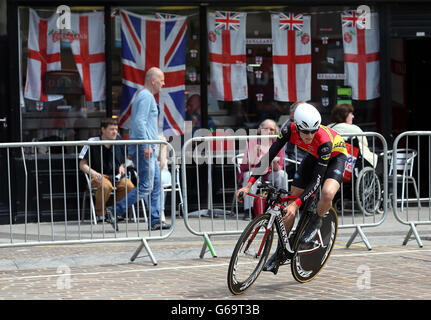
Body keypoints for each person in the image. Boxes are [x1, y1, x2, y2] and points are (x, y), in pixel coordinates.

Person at [236, 102, 348, 275]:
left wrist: (296, 204)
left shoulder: (323, 140)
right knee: (290, 203)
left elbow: (316, 180)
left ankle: (317, 219)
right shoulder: (289, 130)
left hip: (335, 157)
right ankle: (281, 250)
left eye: (314, 131)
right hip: (313, 155)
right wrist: (248, 184)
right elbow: (268, 157)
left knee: (326, 194)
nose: (310, 135)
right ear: (297, 126)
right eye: (306, 131)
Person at [110, 67, 170, 231]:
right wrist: (146, 145)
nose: (163, 84)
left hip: (145, 148)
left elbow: (140, 124)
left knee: (155, 185)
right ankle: (115, 211)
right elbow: (139, 123)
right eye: (162, 80)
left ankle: (155, 220)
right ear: (153, 80)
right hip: (146, 149)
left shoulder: (144, 96)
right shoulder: (146, 96)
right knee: (146, 186)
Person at [79, 118, 135, 222]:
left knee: (129, 186)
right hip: (98, 175)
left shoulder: (119, 140)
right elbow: (82, 164)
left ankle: (116, 212)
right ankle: (101, 214)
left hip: (116, 175)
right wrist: (94, 173)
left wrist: (122, 166)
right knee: (106, 186)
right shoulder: (92, 142)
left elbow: (126, 159)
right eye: (111, 129)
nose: (115, 132)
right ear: (103, 130)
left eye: (116, 129)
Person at [238, 119, 288, 219]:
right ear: (260, 130)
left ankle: (282, 206)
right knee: (249, 175)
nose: (269, 132)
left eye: (272, 129)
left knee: (282, 174)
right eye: (266, 129)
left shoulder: (277, 142)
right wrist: (255, 154)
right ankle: (249, 210)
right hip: (254, 172)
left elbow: (279, 167)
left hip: (270, 173)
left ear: (275, 132)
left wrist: (274, 161)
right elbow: (245, 165)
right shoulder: (253, 141)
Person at [328, 103, 378, 169]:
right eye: (351, 114)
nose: (353, 116)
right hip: (353, 161)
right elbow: (365, 143)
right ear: (345, 115)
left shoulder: (328, 128)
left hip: (332, 160)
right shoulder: (354, 129)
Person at [283, 102, 308, 177]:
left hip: (301, 162)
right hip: (293, 163)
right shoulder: (289, 126)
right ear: (292, 113)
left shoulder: (303, 123)